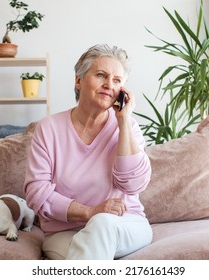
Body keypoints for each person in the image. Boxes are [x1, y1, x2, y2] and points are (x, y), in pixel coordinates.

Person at [23, 44, 152, 260]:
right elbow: (37, 192)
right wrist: (89, 212)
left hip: (124, 224)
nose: (109, 85)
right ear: (78, 80)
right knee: (91, 241)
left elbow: (134, 184)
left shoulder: (128, 127)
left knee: (101, 224)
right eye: (101, 75)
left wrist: (123, 122)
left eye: (117, 80)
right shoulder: (49, 129)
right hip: (65, 231)